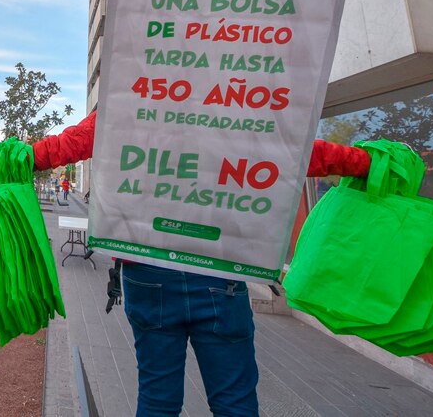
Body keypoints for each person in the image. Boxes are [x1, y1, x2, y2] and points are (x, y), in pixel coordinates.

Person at [32, 110, 371, 417]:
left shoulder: (130, 97)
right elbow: (294, 152)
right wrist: (365, 162)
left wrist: (14, 158)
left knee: (157, 399)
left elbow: (67, 145)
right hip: (217, 269)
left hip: (147, 270)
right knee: (233, 401)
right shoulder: (233, 108)